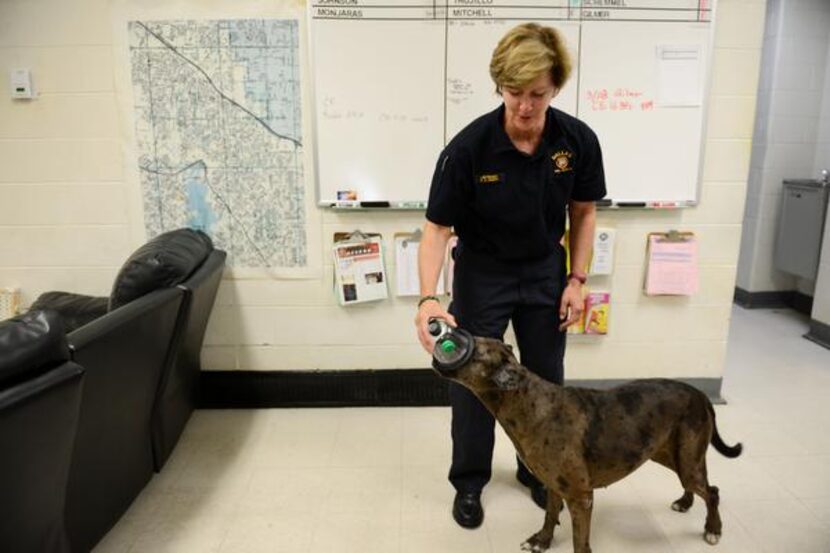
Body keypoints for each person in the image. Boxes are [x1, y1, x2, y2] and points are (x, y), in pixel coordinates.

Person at [414, 22, 606, 529]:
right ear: (499, 86)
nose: (524, 106)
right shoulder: (468, 148)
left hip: (546, 272)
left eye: (537, 94)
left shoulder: (577, 141)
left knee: (545, 382)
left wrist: (577, 280)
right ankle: (470, 480)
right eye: (514, 92)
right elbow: (436, 228)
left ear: (556, 87)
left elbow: (583, 212)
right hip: (482, 274)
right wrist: (428, 299)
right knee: (474, 382)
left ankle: (536, 470)